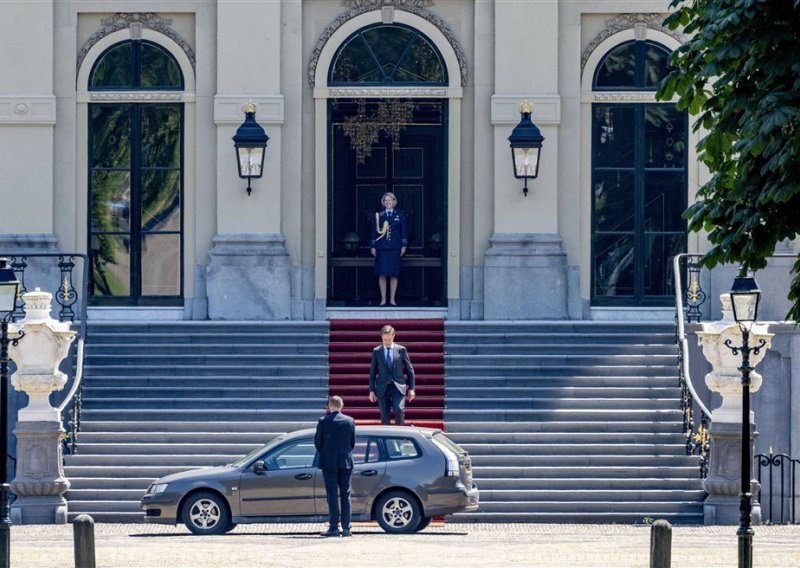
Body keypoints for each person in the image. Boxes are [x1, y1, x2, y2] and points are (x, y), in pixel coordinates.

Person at [314, 395, 356, 537]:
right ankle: (346, 528)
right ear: (341, 405)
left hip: (329, 463)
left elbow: (317, 442)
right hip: (345, 462)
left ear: (330, 406)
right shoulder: (350, 421)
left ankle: (333, 527)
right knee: (346, 495)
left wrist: (326, 453)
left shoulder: (323, 421)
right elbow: (352, 443)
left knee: (332, 495)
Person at [369, 325, 415, 425]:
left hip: (398, 386)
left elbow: (410, 370)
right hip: (382, 387)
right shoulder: (376, 351)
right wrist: (371, 391)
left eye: (389, 339)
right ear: (381, 337)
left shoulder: (401, 350)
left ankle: (399, 436)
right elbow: (372, 372)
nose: (387, 342)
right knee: (384, 415)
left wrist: (411, 389)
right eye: (385, 339)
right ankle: (387, 440)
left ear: (394, 336)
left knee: (399, 409)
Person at [370, 192, 407, 306]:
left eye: (390, 200)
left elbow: (404, 231)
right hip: (382, 248)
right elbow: (374, 232)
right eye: (386, 200)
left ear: (394, 202)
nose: (388, 202)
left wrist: (404, 246)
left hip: (395, 248)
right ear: (383, 202)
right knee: (382, 273)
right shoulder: (379, 215)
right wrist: (373, 246)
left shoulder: (400, 215)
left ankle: (392, 299)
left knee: (394, 273)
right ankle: (383, 299)